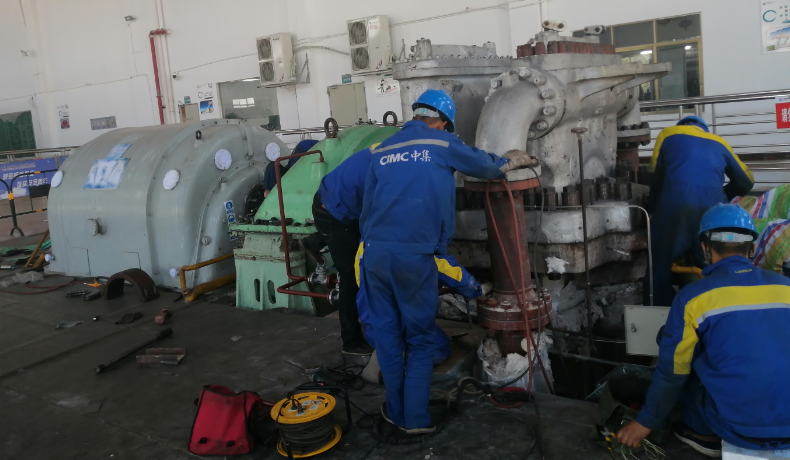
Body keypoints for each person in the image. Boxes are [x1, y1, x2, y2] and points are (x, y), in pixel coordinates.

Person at [358, 89, 533, 433]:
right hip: (413, 257)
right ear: (442, 122)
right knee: (420, 339)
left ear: (417, 115)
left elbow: (367, 211)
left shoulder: (382, 150)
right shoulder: (441, 143)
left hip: (374, 255)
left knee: (388, 338)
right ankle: (415, 420)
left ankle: (396, 410)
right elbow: (486, 166)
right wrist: (508, 160)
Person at [618, 204, 790, 457]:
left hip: (739, 430)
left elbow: (672, 371)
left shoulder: (694, 298)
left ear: (705, 248)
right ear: (752, 248)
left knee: (685, 360)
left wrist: (645, 422)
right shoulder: (786, 286)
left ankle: (703, 434)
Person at [645, 115, 754, 307]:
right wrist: (722, 197)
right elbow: (746, 181)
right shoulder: (719, 142)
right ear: (704, 128)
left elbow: (655, 175)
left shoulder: (668, 134)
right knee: (711, 264)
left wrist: (652, 208)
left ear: (682, 125)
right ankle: (718, 308)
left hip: (674, 209)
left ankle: (657, 310)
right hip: (712, 214)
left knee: (659, 264)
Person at [355, 248, 484, 366]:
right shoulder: (417, 244)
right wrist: (478, 290)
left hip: (372, 329)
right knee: (440, 346)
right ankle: (404, 363)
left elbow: (361, 282)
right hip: (401, 326)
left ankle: (390, 356)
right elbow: (451, 271)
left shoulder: (364, 246)